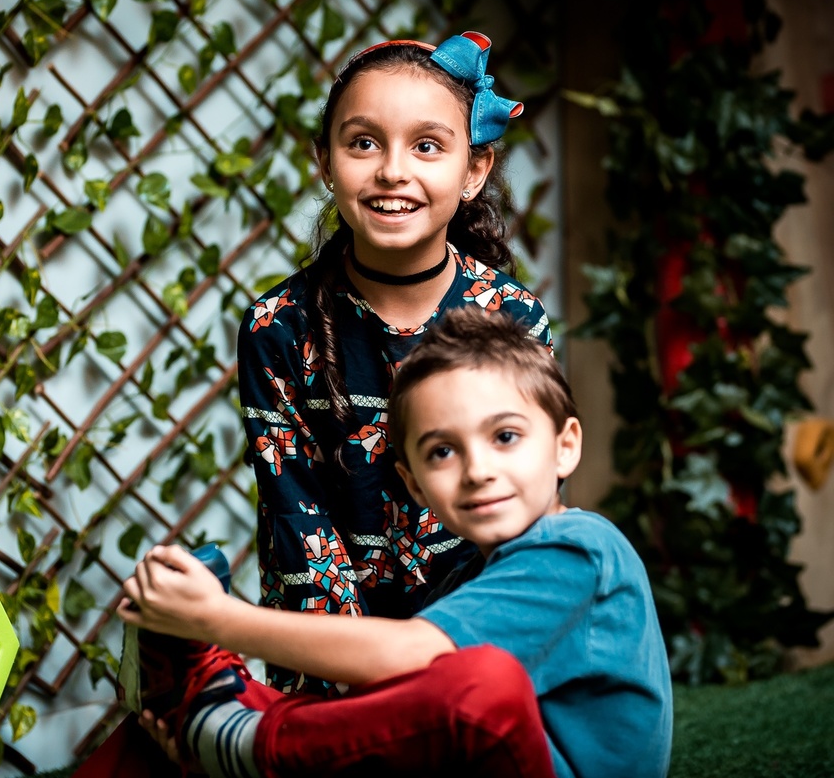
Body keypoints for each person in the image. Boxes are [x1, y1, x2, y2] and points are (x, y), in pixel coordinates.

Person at [119, 307, 673, 778]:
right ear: (413, 484)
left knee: (483, 683)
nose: (478, 469)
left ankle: (248, 740)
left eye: (505, 436)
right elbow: (388, 710)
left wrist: (218, 620)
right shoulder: (469, 578)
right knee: (155, 736)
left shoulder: (578, 546)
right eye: (441, 452)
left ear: (564, 446)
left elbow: (411, 656)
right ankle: (213, 716)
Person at [237, 30, 550, 697]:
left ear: (474, 171)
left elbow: (525, 503)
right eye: (363, 142)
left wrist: (472, 648)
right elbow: (297, 515)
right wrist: (360, 680)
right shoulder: (278, 328)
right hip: (329, 645)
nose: (393, 171)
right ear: (325, 161)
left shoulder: (514, 319)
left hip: (479, 633)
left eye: (427, 145)